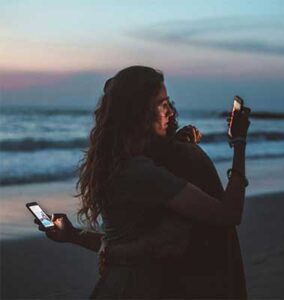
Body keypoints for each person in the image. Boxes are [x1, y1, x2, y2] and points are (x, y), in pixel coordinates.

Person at [35, 65, 250, 299]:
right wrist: (239, 144)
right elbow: (229, 214)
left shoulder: (115, 162)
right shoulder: (141, 172)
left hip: (115, 286)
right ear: (139, 112)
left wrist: (71, 235)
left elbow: (122, 247)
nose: (171, 111)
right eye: (162, 104)